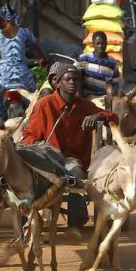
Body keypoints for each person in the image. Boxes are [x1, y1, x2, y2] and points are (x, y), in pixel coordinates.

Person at [21, 63, 119, 228]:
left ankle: (75, 224)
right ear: (57, 83)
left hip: (73, 162)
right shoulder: (44, 105)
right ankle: (30, 220)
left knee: (74, 174)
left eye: (76, 79)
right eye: (68, 79)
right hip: (48, 160)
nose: (73, 83)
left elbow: (114, 118)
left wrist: (98, 117)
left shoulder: (85, 106)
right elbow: (29, 136)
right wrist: (38, 147)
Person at [0, 5, 47, 123]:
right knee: (34, 95)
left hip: (5, 75)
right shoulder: (25, 32)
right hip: (23, 74)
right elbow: (37, 47)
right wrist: (44, 58)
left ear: (2, 19)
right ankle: (37, 117)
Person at [79, 32, 120, 98]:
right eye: (97, 43)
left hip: (104, 98)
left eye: (102, 43)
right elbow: (78, 78)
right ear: (93, 44)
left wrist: (111, 98)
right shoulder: (84, 58)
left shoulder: (113, 62)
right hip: (87, 96)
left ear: (106, 43)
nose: (100, 46)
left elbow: (115, 84)